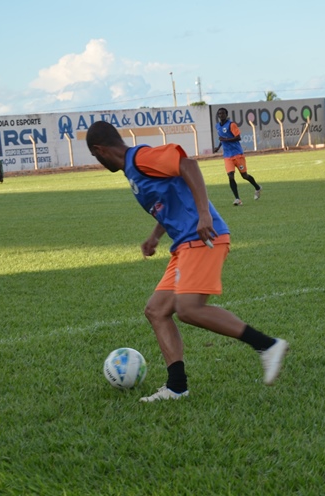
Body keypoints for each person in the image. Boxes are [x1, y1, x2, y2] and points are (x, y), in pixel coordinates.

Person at [85, 120, 288, 402]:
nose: (98, 162)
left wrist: (204, 214)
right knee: (156, 310)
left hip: (203, 237)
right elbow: (170, 200)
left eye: (95, 157)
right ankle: (177, 386)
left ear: (99, 149)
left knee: (189, 309)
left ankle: (267, 345)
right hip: (185, 245)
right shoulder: (133, 170)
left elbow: (188, 165)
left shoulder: (141, 157)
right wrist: (155, 235)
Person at [213, 107, 261, 206]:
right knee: (230, 176)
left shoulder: (231, 124)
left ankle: (257, 187)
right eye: (219, 114)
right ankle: (238, 199)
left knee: (244, 176)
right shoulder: (217, 126)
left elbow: (238, 137)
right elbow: (221, 139)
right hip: (227, 156)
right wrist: (218, 147)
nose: (221, 115)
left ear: (226, 114)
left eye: (223, 113)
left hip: (237, 154)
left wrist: (225, 139)